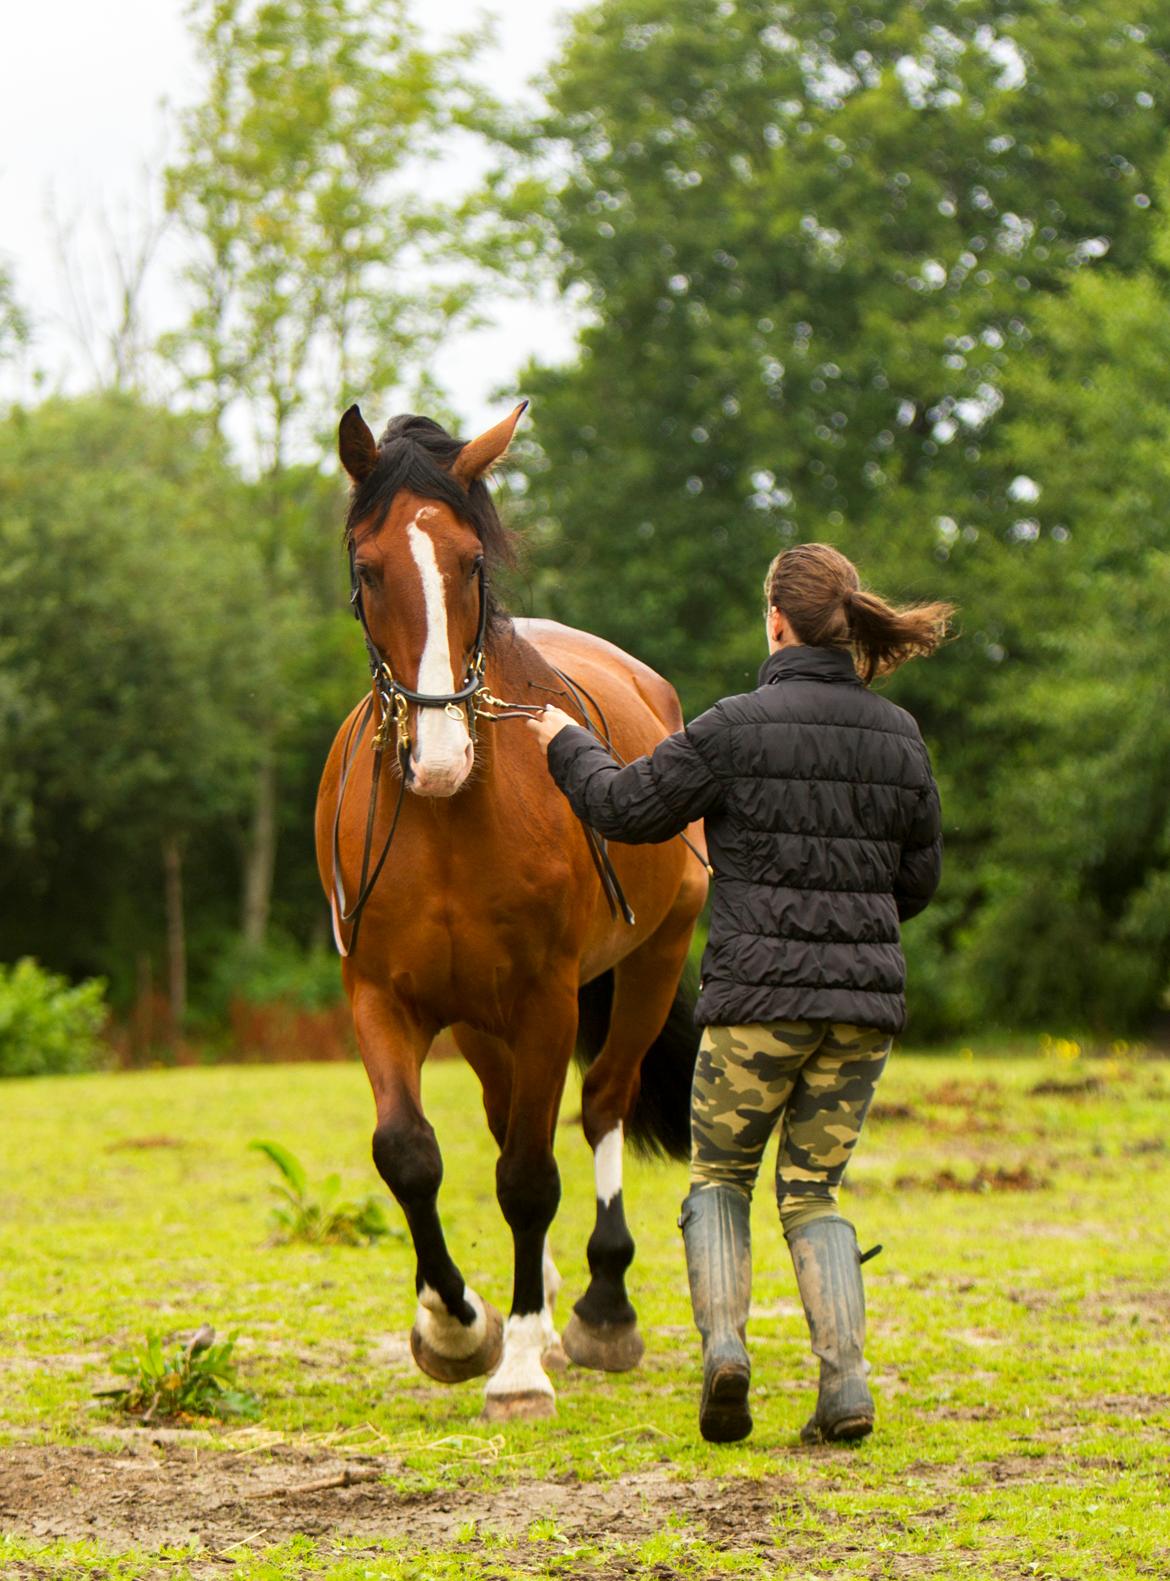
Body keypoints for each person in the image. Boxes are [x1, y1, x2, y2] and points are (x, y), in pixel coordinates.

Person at [526, 542, 949, 1445]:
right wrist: (857, 920)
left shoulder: (733, 727)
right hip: (862, 1015)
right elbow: (918, 879)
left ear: (776, 622)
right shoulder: (900, 737)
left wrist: (566, 745)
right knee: (814, 1192)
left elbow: (629, 809)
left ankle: (726, 1351)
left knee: (719, 1178)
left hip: (755, 1004)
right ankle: (845, 1385)